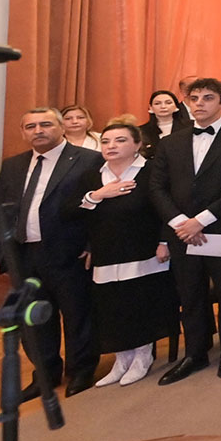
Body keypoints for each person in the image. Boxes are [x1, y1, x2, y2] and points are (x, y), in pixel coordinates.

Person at [145, 77, 221, 384]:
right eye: (194, 98)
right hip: (182, 232)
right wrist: (181, 223)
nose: (199, 104)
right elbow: (156, 187)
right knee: (190, 293)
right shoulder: (170, 142)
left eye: (208, 98)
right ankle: (195, 352)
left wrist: (202, 220)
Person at [2, 107, 102, 396]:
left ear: (61, 127)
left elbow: (100, 209)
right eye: (30, 126)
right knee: (34, 319)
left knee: (77, 315)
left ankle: (81, 370)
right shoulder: (13, 165)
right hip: (24, 255)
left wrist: (92, 245)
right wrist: (1, 254)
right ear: (23, 133)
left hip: (71, 252)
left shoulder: (88, 160)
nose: (38, 131)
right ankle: (44, 374)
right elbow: (3, 211)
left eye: (45, 124)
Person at [76, 118, 177, 386]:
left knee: (139, 303)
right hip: (106, 251)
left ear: (137, 144)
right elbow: (71, 211)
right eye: (106, 141)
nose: (111, 146)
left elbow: (167, 208)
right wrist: (98, 195)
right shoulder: (92, 175)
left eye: (120, 140)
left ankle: (143, 357)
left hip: (144, 249)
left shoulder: (151, 171)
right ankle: (122, 360)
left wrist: (165, 241)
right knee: (112, 306)